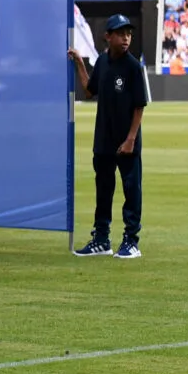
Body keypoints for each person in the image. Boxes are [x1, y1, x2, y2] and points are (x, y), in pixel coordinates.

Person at [69, 14, 149, 259]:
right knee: (103, 190)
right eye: (121, 33)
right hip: (103, 139)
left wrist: (131, 139)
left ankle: (131, 241)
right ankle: (101, 239)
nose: (126, 38)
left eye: (129, 34)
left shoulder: (134, 67)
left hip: (126, 141)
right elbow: (90, 90)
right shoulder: (103, 61)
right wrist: (80, 64)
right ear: (108, 36)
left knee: (131, 190)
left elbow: (139, 106)